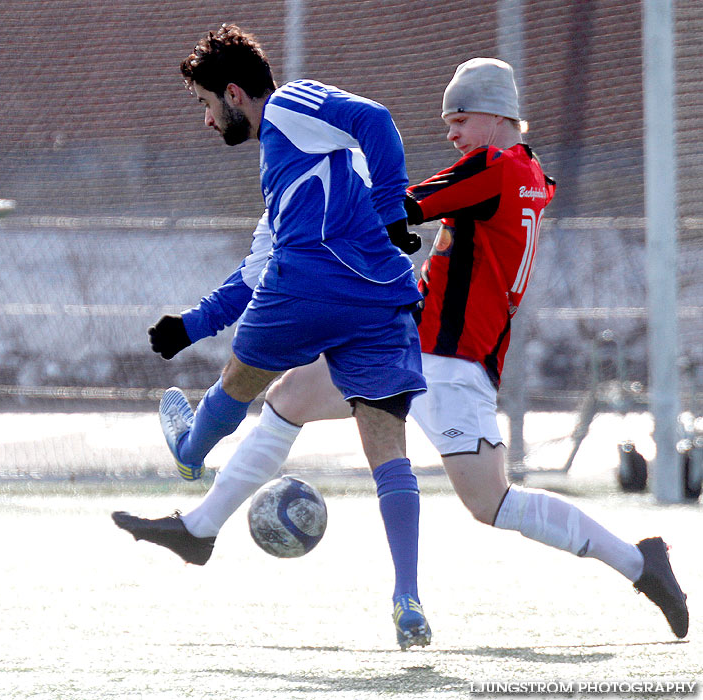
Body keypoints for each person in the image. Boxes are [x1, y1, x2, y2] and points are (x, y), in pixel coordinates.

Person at [117, 56, 689, 642]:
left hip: (440, 353)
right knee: (293, 400)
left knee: (489, 502)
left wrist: (319, 198)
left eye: (460, 119)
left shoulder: (493, 167)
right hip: (442, 347)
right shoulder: (532, 174)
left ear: (497, 116)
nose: (451, 133)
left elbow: (402, 204)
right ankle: (201, 527)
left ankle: (640, 562)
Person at [112, 23, 431, 650]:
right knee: (389, 454)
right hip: (381, 301)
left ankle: (189, 451)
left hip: (309, 285)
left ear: (234, 93)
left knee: (236, 382)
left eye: (206, 104)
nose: (206, 121)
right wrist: (189, 326)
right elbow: (248, 274)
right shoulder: (289, 178)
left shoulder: (288, 104)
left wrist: (394, 209)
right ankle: (408, 599)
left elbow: (379, 117)